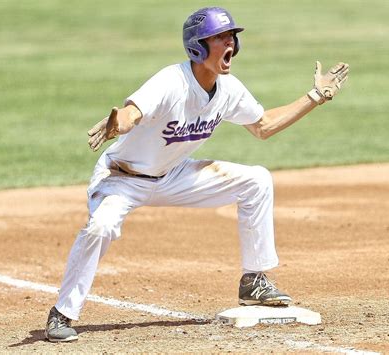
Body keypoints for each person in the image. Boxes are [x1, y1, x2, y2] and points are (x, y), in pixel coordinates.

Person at [45, 6, 349, 342]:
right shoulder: (170, 81)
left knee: (257, 180)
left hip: (173, 176)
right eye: (220, 37)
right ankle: (62, 314)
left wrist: (315, 97)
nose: (229, 43)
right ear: (197, 47)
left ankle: (254, 280)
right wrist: (119, 123)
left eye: (231, 36)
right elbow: (132, 112)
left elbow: (262, 126)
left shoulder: (228, 88)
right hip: (122, 178)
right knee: (100, 227)